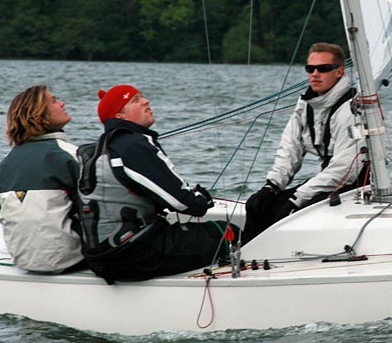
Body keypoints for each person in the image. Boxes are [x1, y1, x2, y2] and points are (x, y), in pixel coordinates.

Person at [77, 84, 233, 283]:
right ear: (119, 115)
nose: (146, 101)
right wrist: (202, 200)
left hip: (102, 257)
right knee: (228, 231)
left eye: (142, 96)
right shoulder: (133, 145)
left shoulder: (100, 149)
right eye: (135, 100)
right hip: (133, 255)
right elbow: (187, 205)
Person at [242, 42, 366, 244]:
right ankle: (243, 257)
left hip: (355, 185)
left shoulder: (350, 110)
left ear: (339, 71)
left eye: (323, 69)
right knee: (258, 206)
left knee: (289, 212)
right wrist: (271, 186)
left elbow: (345, 169)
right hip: (327, 181)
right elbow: (289, 150)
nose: (315, 74)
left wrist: (298, 198)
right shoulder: (306, 104)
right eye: (310, 69)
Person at [0, 85, 84, 273]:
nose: (62, 103)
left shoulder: (2, 167)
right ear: (40, 114)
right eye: (54, 101)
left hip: (23, 260)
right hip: (70, 258)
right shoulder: (71, 156)